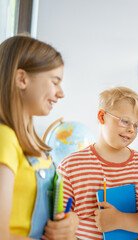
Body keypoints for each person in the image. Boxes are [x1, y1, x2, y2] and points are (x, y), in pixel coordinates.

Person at [58, 86, 138, 240]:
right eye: (125, 121)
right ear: (102, 117)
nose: (131, 130)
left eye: (136, 125)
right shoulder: (71, 165)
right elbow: (60, 219)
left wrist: (119, 220)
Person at [0, 35, 79, 239]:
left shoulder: (36, 145)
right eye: (55, 82)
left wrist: (69, 224)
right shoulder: (5, 138)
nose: (60, 93)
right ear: (22, 79)